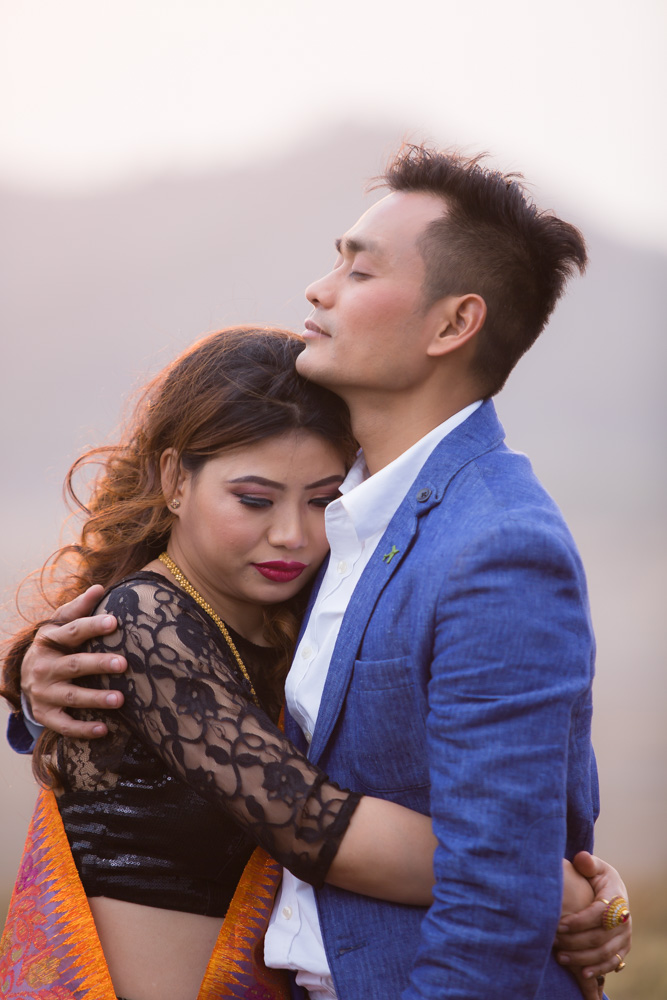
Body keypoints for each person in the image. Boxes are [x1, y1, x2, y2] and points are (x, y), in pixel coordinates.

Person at [9, 146, 632, 998]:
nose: (318, 288)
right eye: (254, 498)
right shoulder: (352, 530)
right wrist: (29, 683)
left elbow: (494, 829)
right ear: (174, 480)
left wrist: (547, 882)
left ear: (453, 325)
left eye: (358, 269)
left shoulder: (485, 541)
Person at [1, 326, 443, 1000]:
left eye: (324, 501)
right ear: (175, 479)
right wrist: (532, 883)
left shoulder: (302, 616)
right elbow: (309, 821)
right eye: (255, 500)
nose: (292, 535)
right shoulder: (142, 620)